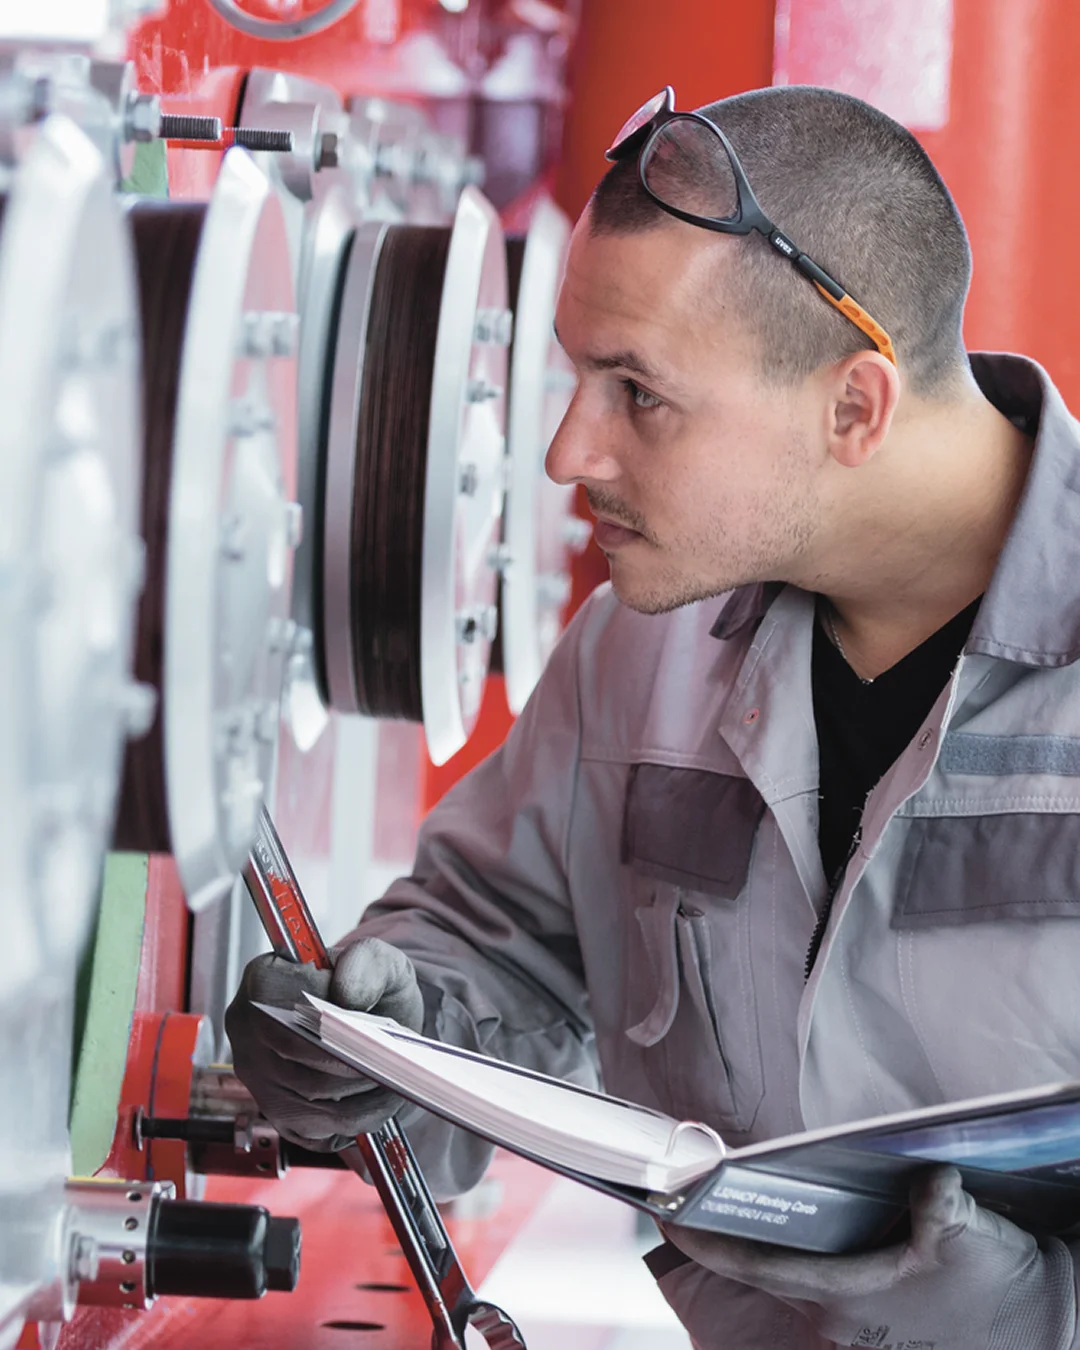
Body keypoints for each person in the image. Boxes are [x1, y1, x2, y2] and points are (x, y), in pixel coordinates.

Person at [226, 84, 1080, 1349]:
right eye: (577, 375)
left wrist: (1023, 1313)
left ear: (854, 407)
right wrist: (383, 1045)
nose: (570, 452)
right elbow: (497, 956)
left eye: (639, 393)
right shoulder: (644, 652)